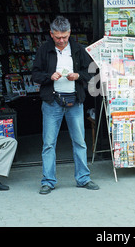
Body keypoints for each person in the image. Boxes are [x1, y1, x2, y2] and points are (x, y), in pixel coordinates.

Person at [32, 16, 99, 194]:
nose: (61, 41)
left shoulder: (78, 49)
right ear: (51, 34)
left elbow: (91, 72)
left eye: (64, 37)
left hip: (74, 100)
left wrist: (78, 76)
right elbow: (35, 75)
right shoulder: (44, 50)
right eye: (57, 37)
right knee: (48, 143)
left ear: (69, 33)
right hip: (52, 101)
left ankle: (83, 178)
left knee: (79, 142)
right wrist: (49, 77)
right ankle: (48, 181)